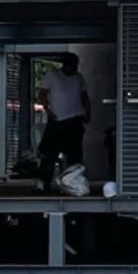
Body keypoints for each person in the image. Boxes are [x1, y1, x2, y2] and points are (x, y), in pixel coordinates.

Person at [36, 53, 90, 190]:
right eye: (72, 65)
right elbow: (42, 95)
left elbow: (84, 96)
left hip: (75, 118)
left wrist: (88, 112)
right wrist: (48, 110)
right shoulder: (52, 76)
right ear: (66, 65)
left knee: (75, 154)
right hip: (58, 120)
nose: (75, 68)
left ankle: (74, 182)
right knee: (50, 153)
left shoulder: (78, 78)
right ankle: (44, 183)